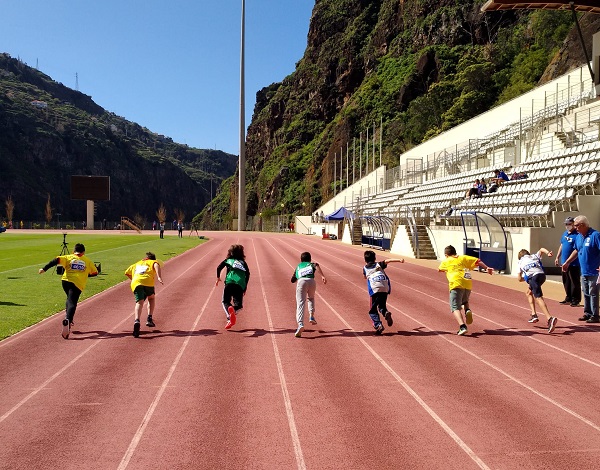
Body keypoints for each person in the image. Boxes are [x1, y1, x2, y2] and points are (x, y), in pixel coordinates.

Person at [38, 243, 98, 339]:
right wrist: (85, 274)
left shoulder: (68, 257)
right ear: (83, 252)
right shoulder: (87, 261)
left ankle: (69, 318)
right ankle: (68, 319)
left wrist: (44, 269)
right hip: (77, 284)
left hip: (65, 282)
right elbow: (95, 272)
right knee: (72, 302)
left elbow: (56, 260)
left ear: (74, 251)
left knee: (69, 299)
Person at [438, 245, 493, 335]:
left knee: (455, 307)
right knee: (464, 301)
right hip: (467, 282)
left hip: (456, 283)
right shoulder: (463, 258)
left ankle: (462, 326)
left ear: (446, 255)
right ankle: (467, 310)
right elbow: (478, 261)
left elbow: (440, 269)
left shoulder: (446, 261)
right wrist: (487, 268)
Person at [562, 215, 600, 323]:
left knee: (593, 293)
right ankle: (587, 313)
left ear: (583, 225)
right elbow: (576, 250)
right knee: (586, 292)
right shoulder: (579, 237)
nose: (575, 228)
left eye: (576, 225)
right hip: (584, 271)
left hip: (594, 271)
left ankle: (595, 315)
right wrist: (567, 262)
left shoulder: (595, 235)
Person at [362, 250, 405, 335]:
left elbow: (364, 277)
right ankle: (385, 313)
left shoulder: (365, 268)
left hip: (375, 290)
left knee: (373, 310)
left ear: (365, 260)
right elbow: (388, 260)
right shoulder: (379, 265)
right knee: (382, 305)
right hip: (385, 288)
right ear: (375, 258)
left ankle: (378, 325)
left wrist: (368, 275)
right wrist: (399, 260)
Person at [517, 248, 558, 333]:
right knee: (528, 292)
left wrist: (525, 278)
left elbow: (519, 279)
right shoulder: (534, 256)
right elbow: (541, 249)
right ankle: (534, 314)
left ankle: (550, 318)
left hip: (533, 278)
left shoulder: (520, 262)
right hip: (542, 275)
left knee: (538, 298)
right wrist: (548, 253)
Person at [125, 252, 164, 337]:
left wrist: (134, 279)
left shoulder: (137, 263)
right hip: (147, 281)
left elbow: (127, 272)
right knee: (151, 298)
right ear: (153, 258)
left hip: (136, 283)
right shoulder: (153, 262)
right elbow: (156, 265)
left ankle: (137, 320)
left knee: (139, 302)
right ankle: (149, 318)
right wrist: (159, 277)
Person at [291, 252, 327, 337]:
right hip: (311, 281)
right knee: (311, 298)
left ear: (301, 260)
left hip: (301, 282)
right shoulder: (311, 264)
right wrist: (322, 276)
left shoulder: (298, 266)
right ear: (310, 259)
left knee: (300, 303)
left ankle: (300, 324)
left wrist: (297, 278)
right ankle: (311, 315)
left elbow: (292, 280)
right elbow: (317, 265)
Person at [216, 245, 250, 329]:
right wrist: (245, 286)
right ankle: (233, 311)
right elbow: (248, 274)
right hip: (239, 283)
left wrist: (218, 277)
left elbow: (219, 267)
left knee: (225, 301)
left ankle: (229, 316)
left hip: (229, 281)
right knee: (239, 305)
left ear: (230, 252)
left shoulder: (228, 260)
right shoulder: (243, 262)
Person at [555, 217, 581, 307]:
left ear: (573, 224)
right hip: (564, 262)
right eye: (566, 224)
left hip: (574, 263)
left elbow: (577, 249)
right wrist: (557, 257)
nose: (567, 226)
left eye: (569, 224)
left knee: (574, 282)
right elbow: (562, 245)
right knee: (566, 281)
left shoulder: (577, 235)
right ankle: (568, 297)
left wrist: (569, 261)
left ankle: (575, 299)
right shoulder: (565, 234)